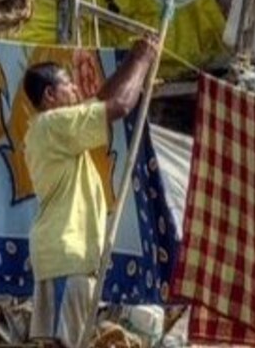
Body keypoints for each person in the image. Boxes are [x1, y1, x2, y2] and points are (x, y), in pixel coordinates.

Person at [19, 34, 160, 347]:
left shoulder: (54, 128)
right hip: (66, 257)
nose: (74, 89)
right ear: (50, 95)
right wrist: (143, 59)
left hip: (66, 258)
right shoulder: (53, 124)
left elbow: (99, 102)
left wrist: (133, 59)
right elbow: (119, 105)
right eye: (68, 84)